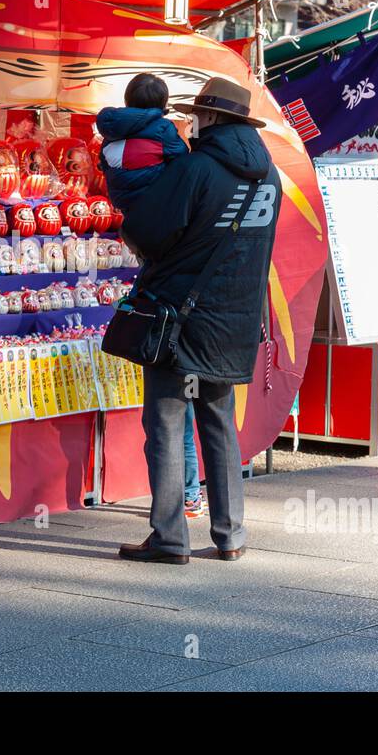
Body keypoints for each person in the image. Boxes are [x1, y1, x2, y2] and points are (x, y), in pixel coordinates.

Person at [116, 76, 282, 564]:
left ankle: (169, 538)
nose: (191, 122)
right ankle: (230, 534)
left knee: (166, 424)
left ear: (210, 118)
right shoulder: (268, 176)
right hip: (234, 322)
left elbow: (147, 230)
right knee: (218, 422)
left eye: (196, 115)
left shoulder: (196, 169)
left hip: (180, 318)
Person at [97, 73, 204, 519]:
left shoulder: (106, 140)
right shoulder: (164, 131)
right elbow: (184, 167)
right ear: (161, 104)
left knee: (165, 404)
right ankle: (189, 496)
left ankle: (180, 499)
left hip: (134, 223)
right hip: (168, 239)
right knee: (181, 401)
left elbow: (114, 179)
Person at [95, 72, 190, 208]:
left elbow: (104, 163)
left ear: (126, 99)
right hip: (153, 202)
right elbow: (181, 157)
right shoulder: (163, 128)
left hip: (121, 202)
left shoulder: (111, 129)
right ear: (163, 104)